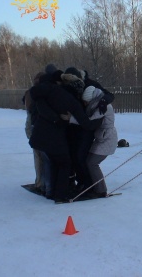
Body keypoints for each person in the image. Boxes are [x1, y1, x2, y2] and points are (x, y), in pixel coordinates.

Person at [29, 73, 103, 203]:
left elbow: (37, 101)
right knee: (65, 163)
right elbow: (86, 123)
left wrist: (54, 118)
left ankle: (50, 191)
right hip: (53, 138)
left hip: (38, 135)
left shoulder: (51, 92)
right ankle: (60, 195)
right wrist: (99, 120)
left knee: (51, 163)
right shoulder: (72, 102)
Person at [70, 86, 118, 198]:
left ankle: (101, 190)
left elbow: (88, 120)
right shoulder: (99, 104)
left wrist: (70, 119)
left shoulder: (103, 106)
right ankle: (95, 187)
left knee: (92, 163)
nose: (86, 104)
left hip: (107, 139)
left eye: (86, 102)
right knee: (89, 161)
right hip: (101, 138)